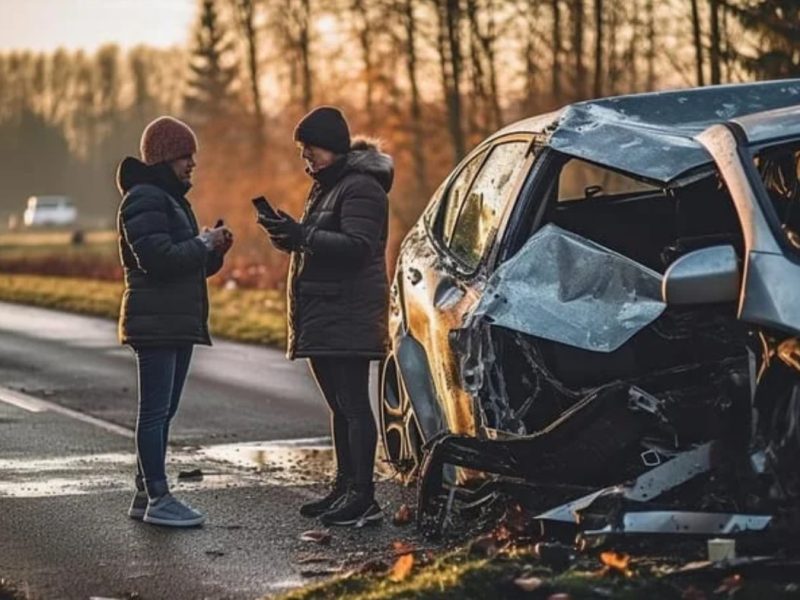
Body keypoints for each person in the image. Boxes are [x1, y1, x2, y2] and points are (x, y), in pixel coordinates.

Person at [259, 106, 393, 527]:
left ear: (331, 147)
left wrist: (305, 236)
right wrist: (291, 237)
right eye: (302, 152)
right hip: (326, 309)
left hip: (349, 310)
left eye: (309, 150)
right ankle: (343, 485)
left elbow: (357, 246)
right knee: (339, 406)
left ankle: (363, 495)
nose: (306, 159)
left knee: (353, 404)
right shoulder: (327, 187)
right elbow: (323, 241)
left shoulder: (362, 189)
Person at [115, 116, 232, 527]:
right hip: (156, 322)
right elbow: (159, 260)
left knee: (164, 411)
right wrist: (201, 243)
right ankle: (160, 498)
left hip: (174, 320)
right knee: (154, 412)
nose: (192, 164)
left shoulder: (168, 198)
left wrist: (212, 250)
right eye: (186, 155)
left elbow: (184, 263)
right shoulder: (143, 198)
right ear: (165, 156)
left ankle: (144, 492)